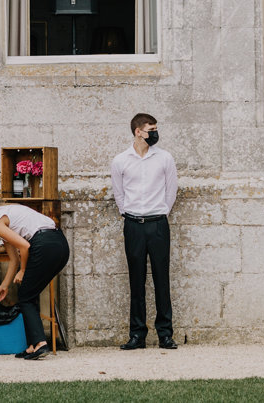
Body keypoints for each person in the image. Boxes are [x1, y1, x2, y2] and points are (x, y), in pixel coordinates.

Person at [0, 189, 69, 360]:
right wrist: (5, 284)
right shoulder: (3, 212)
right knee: (29, 294)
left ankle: (40, 343)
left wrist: (23, 271)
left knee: (25, 296)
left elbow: (24, 246)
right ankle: (33, 345)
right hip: (60, 244)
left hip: (44, 244)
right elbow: (14, 259)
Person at [111, 113, 179, 350]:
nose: (155, 132)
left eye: (156, 128)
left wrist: (161, 213)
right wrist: (128, 214)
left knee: (162, 279)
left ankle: (165, 334)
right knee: (136, 280)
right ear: (138, 131)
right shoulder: (120, 160)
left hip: (158, 224)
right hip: (133, 225)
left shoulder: (165, 158)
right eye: (151, 129)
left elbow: (172, 190)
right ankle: (137, 335)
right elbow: (119, 194)